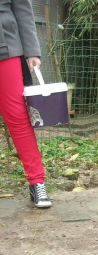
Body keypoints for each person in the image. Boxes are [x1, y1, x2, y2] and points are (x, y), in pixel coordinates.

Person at [0, 0, 51, 208]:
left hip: (5, 48)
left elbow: (22, 8)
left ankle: (37, 182)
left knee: (18, 118)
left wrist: (31, 51)